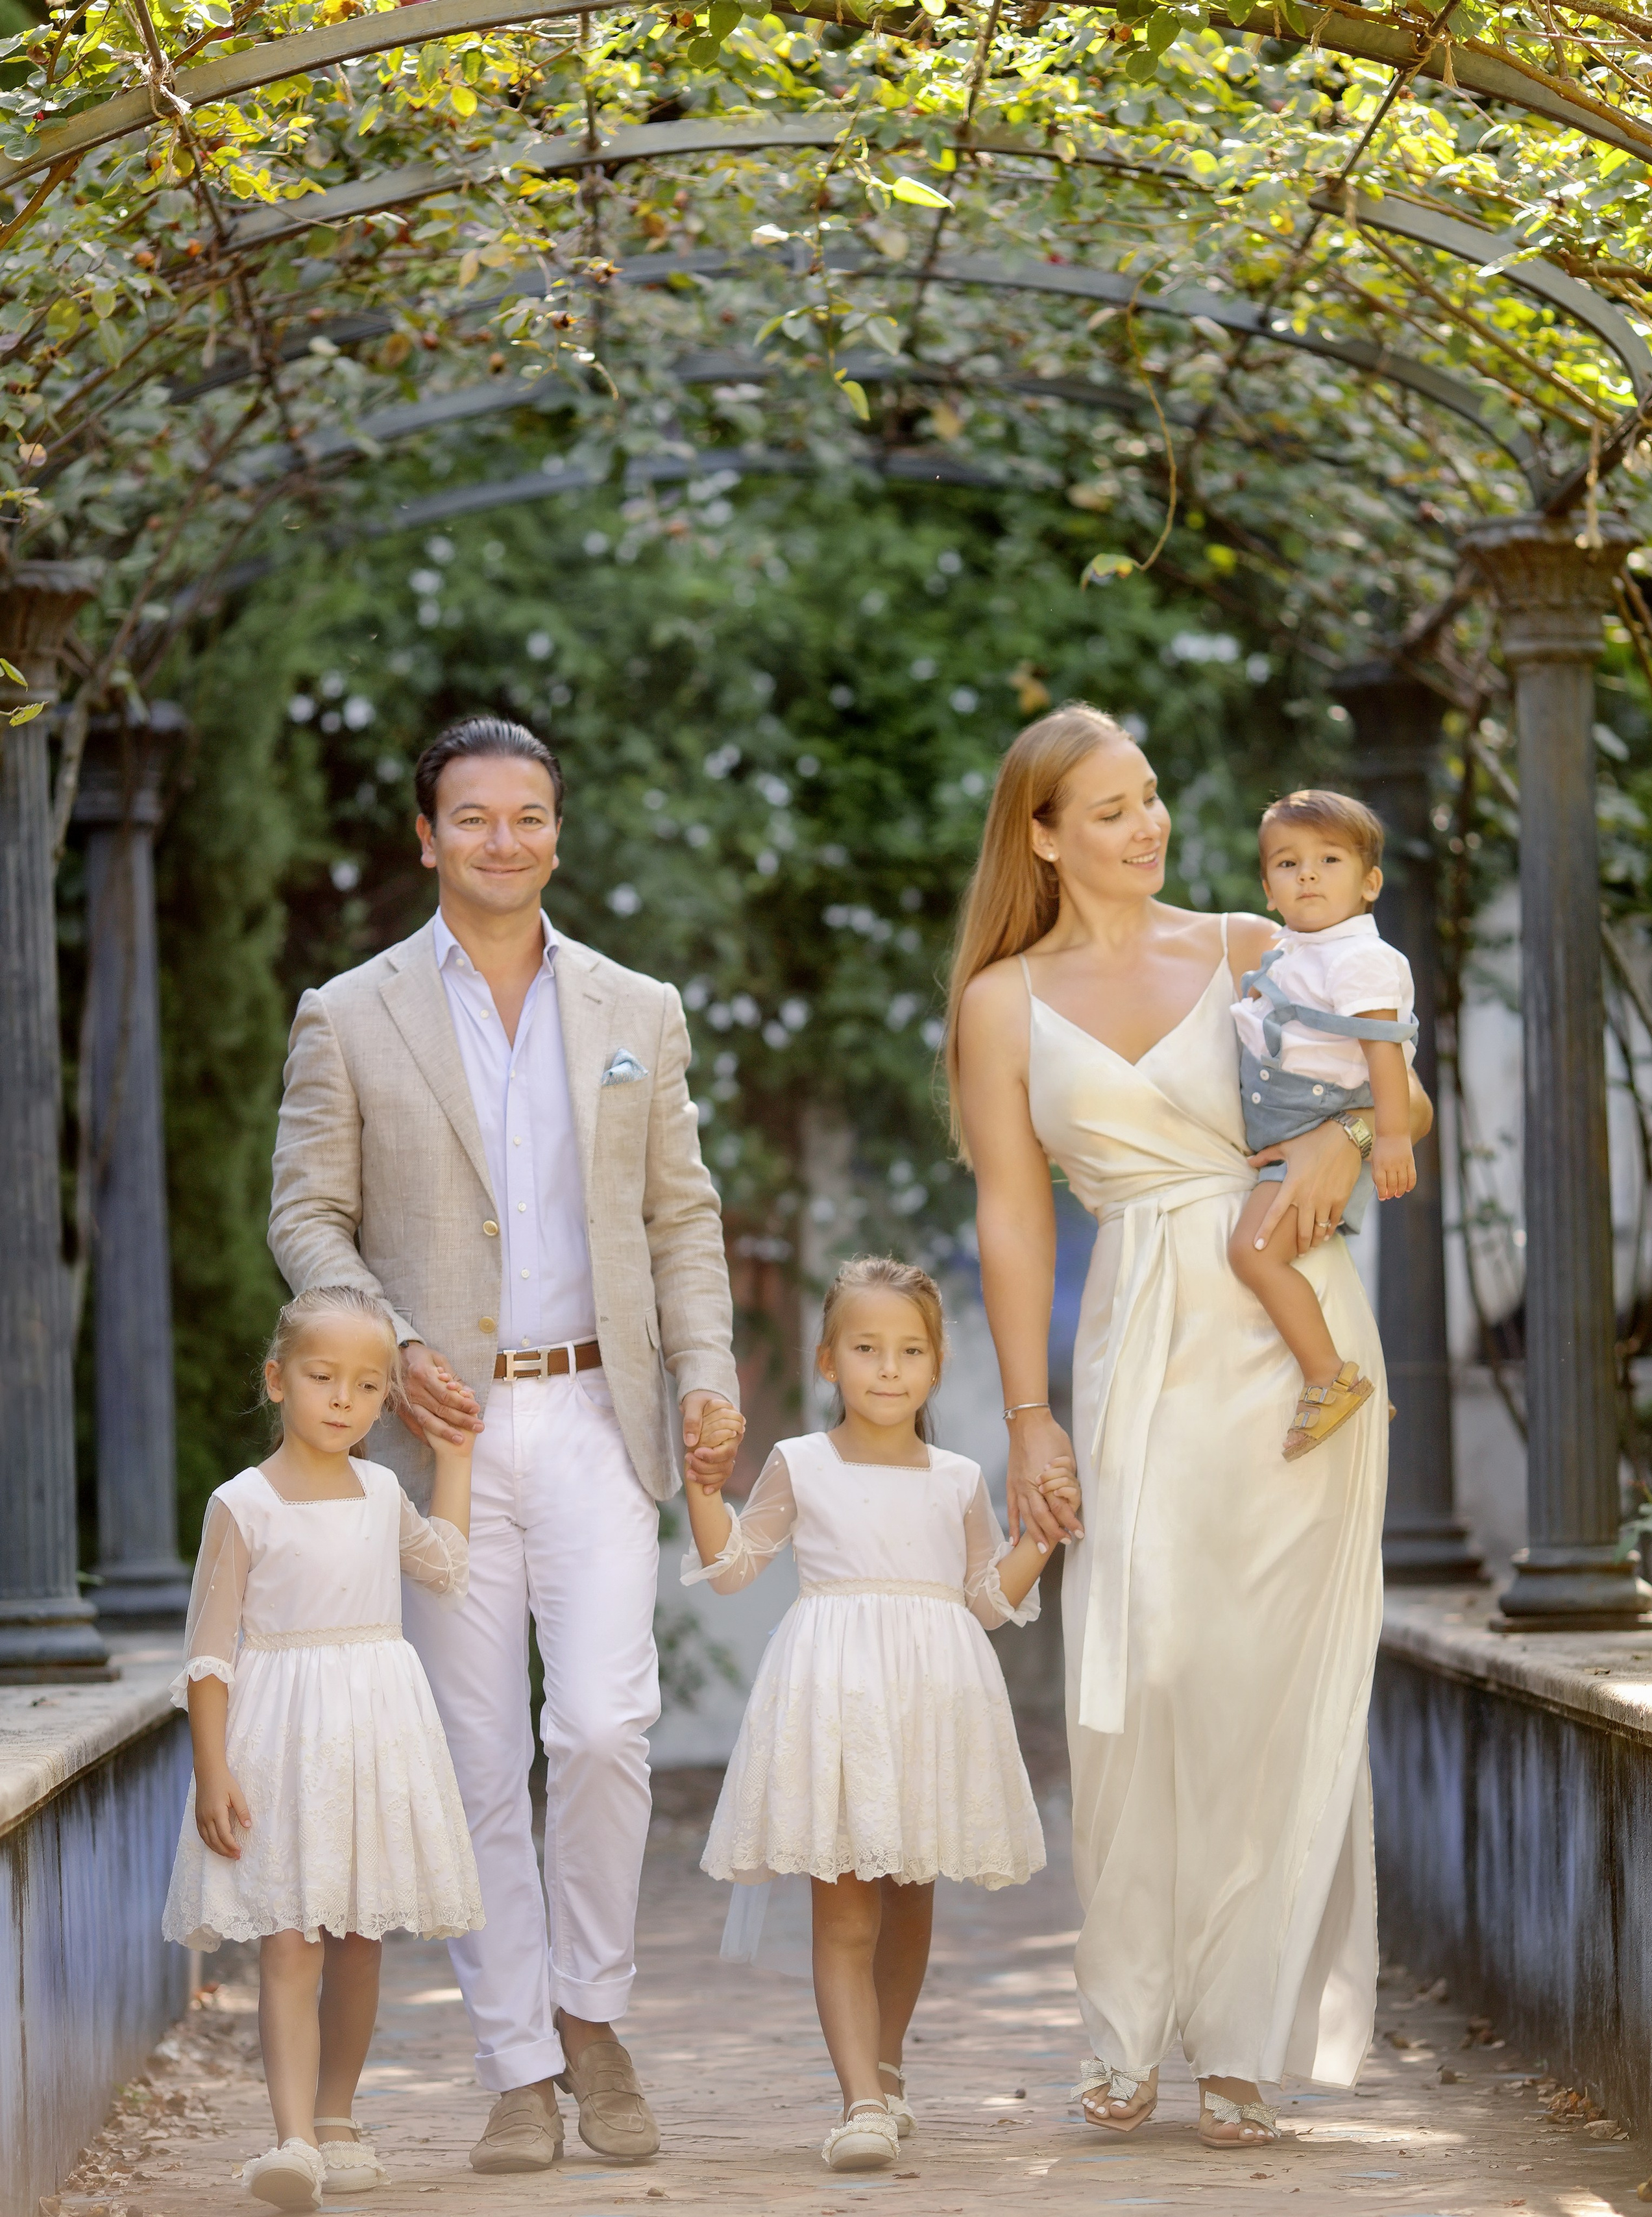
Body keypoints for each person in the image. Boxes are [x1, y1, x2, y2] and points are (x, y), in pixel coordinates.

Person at [947, 705, 1431, 2151]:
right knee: (1141, 1670)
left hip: (1297, 1343)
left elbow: (1382, 1080)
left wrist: (1343, 1142)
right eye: (1107, 808)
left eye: (1149, 796)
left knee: (1265, 1691)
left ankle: (1240, 2041)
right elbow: (1011, 1210)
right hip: (1139, 1341)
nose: (1146, 824)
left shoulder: (1252, 945)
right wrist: (1028, 1419)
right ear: (1039, 834)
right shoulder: (998, 999)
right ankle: (1123, 2019)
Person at [268, 715, 742, 2170]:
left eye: (527, 816)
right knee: (475, 1754)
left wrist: (706, 1371)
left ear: (556, 829)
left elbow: (679, 1213)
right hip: (436, 1444)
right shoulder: (347, 1014)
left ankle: (592, 2012)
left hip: (599, 1410)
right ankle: (519, 2065)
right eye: (471, 819)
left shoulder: (635, 1008)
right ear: (425, 838)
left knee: (602, 1725)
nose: (502, 841)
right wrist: (387, 1340)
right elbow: (305, 1215)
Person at [681, 1256, 1078, 2174]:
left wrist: (1038, 1543)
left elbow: (983, 1599)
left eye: (909, 1351)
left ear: (936, 1367)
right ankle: (858, 2098)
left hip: (932, 1702)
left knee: (909, 1898)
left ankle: (888, 2066)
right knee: (847, 1906)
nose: (888, 1369)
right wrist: (705, 1488)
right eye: (866, 1349)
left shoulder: (958, 1477)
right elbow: (737, 1563)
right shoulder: (801, 1464)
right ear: (829, 1361)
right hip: (837, 1698)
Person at [162, 1286, 481, 2211]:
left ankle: (339, 2118)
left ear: (386, 1399)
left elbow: (449, 1566)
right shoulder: (243, 1503)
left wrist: (454, 1455)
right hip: (282, 1741)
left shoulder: (383, 1492)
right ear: (277, 1380)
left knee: (358, 1938)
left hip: (372, 1736)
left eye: (369, 1384)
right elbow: (211, 1651)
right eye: (322, 1376)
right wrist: (211, 1768)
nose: (345, 1399)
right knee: (290, 1939)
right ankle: (293, 2137)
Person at [1227, 789, 1418, 1460]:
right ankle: (1348, 1373)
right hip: (1293, 1119)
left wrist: (1387, 1136)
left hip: (1317, 1115)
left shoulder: (1356, 957)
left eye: (1328, 859)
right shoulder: (1293, 949)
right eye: (1287, 862)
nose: (1306, 873)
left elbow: (1384, 1052)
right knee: (1267, 1252)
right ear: (1267, 887)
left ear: (1369, 883)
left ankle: (1329, 1375)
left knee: (1252, 1252)